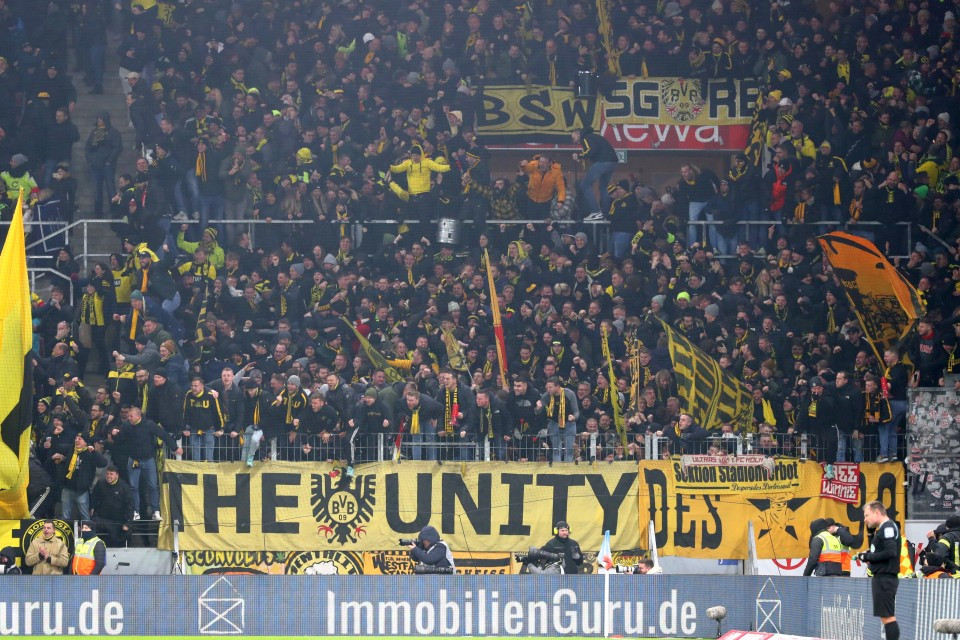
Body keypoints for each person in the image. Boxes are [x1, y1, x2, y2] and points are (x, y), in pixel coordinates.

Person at [111, 406, 182, 520]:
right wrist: (114, 435)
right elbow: (119, 440)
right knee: (133, 487)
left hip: (148, 460)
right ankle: (135, 511)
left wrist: (174, 448)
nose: (128, 418)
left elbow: (163, 435)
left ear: (138, 416)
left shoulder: (149, 424)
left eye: (131, 416)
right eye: (128, 416)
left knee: (153, 486)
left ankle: (155, 511)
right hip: (133, 460)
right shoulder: (126, 426)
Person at [857, 501, 901, 640]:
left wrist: (868, 556)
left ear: (877, 513)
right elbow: (881, 551)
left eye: (866, 515)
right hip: (882, 576)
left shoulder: (887, 527)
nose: (865, 519)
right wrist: (868, 553)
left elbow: (891, 551)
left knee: (888, 617)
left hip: (885, 577)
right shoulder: (882, 529)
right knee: (885, 616)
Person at [572, 127, 618, 219]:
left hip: (602, 162)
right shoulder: (593, 137)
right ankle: (605, 213)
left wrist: (579, 156)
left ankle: (595, 211)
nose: (574, 141)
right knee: (603, 187)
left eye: (574, 138)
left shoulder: (585, 137)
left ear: (578, 134)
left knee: (585, 185)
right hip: (612, 163)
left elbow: (591, 150)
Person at [90, 465, 135, 547]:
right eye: (107, 474)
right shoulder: (100, 484)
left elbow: (130, 505)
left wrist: (128, 523)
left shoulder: (124, 487)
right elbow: (94, 497)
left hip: (118, 521)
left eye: (111, 474)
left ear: (117, 475)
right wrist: (92, 507)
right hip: (103, 519)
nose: (109, 476)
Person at [536, 376, 579, 462]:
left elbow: (576, 411)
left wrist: (574, 417)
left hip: (569, 423)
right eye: (547, 387)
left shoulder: (569, 394)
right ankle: (557, 468)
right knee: (556, 450)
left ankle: (568, 467)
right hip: (554, 423)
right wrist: (538, 408)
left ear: (557, 386)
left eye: (550, 387)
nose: (548, 390)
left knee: (569, 450)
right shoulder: (546, 396)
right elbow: (537, 412)